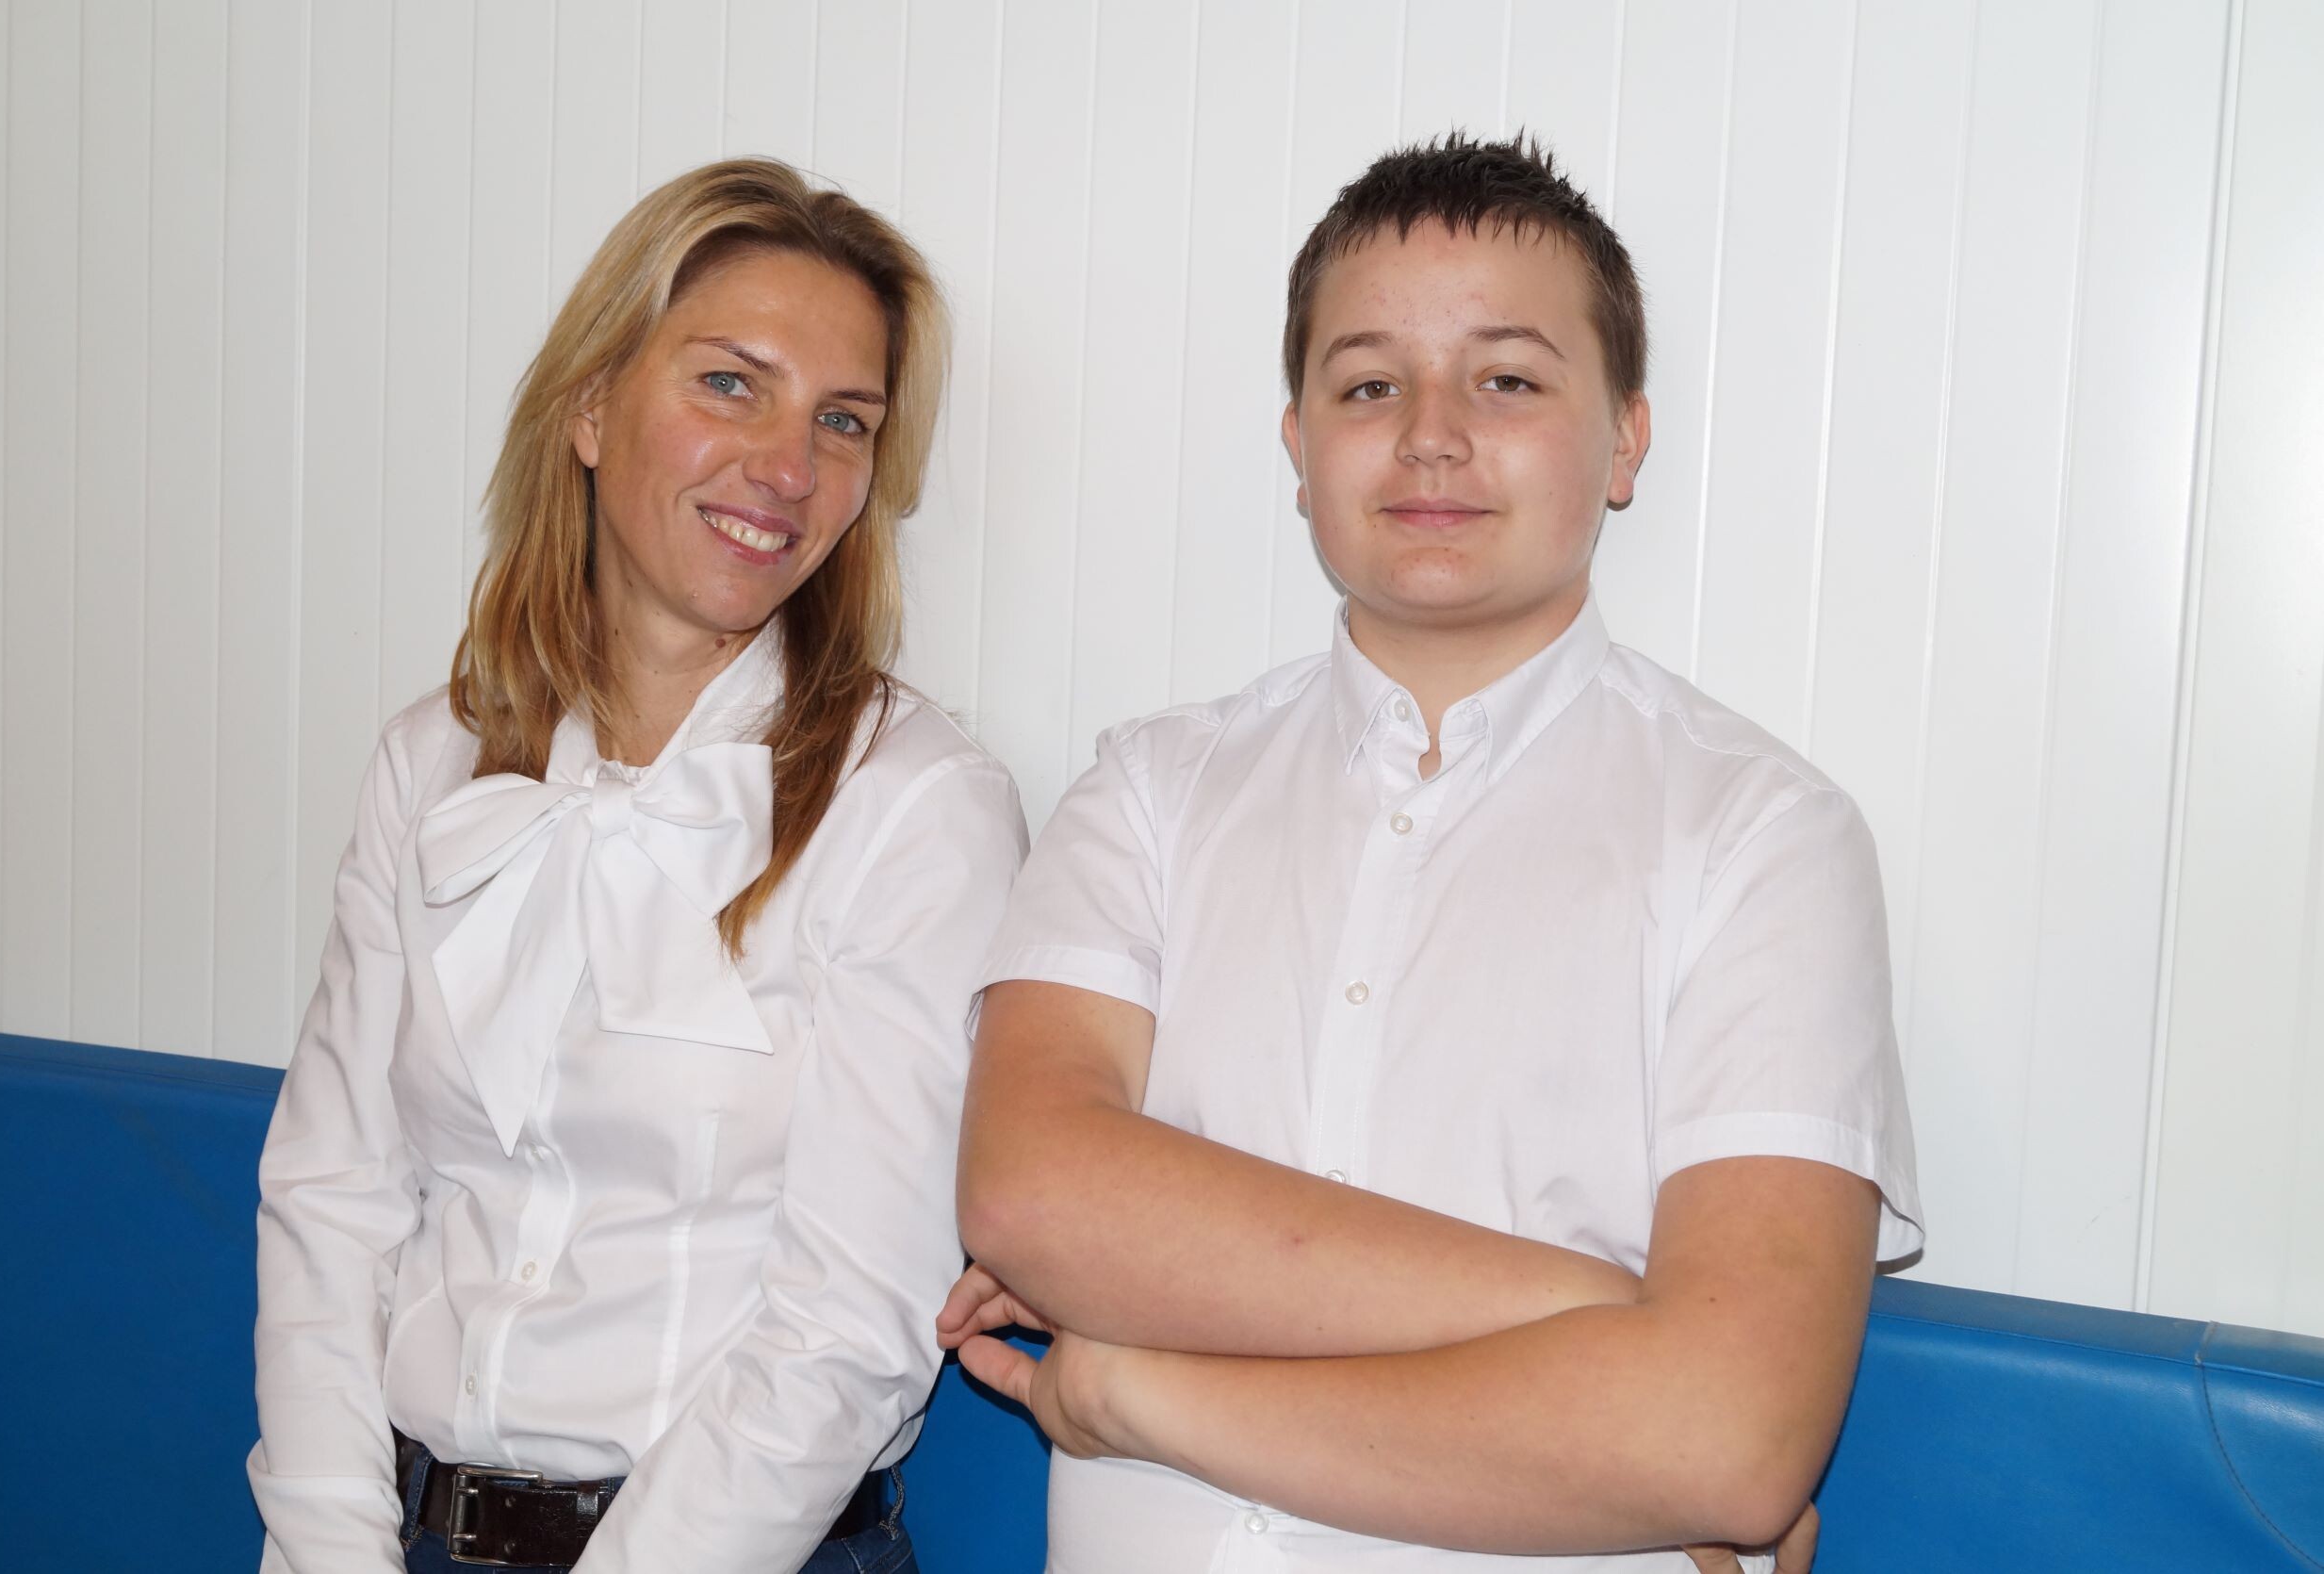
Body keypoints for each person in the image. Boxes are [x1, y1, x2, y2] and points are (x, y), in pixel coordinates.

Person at [941, 134, 1922, 1573]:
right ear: (1298, 445)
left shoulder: (1760, 835)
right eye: (1367, 385)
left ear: (1624, 439)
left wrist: (1135, 1392)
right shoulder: (1150, 788)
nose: (1430, 434)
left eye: (1506, 379)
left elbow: (1726, 1435)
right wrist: (1609, 1318)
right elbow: (1031, 1196)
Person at [251, 158, 1026, 1574]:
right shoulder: (431, 762)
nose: (788, 467)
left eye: (842, 420)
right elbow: (331, 1199)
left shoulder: (918, 807)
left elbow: (847, 1328)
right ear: (591, 406)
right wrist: (329, 1550)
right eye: (731, 384)